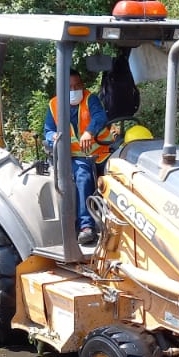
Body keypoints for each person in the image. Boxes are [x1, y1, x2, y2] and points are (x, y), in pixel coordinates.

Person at [42, 70, 108, 247]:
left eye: (77, 86)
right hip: (73, 156)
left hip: (100, 153)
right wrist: (53, 136)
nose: (74, 90)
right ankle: (86, 227)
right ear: (62, 88)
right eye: (70, 87)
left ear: (83, 85)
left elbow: (100, 117)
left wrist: (89, 132)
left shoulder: (90, 99)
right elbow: (47, 131)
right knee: (83, 176)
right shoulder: (54, 104)